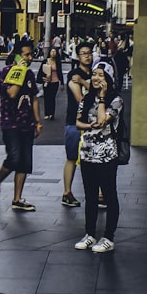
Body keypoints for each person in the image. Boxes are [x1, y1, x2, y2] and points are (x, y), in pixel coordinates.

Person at [73, 61, 123, 253]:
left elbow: (103, 120)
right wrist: (90, 126)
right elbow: (78, 123)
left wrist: (102, 98)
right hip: (87, 153)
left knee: (109, 195)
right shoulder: (86, 99)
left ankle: (109, 237)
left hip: (107, 155)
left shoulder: (116, 100)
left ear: (109, 78)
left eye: (101, 75)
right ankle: (89, 234)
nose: (95, 78)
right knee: (90, 196)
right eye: (94, 74)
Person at [0, 40, 42, 212]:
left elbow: (34, 97)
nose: (30, 58)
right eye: (26, 55)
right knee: (14, 158)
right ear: (18, 55)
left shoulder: (30, 74)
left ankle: (17, 199)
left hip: (27, 123)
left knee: (25, 163)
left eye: (31, 54)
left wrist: (38, 120)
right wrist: (19, 70)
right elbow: (12, 93)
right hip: (10, 122)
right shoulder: (6, 72)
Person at [61, 42, 94, 208]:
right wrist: (84, 82)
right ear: (78, 56)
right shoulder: (74, 74)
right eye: (83, 53)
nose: (87, 56)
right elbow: (82, 99)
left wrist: (84, 82)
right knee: (72, 157)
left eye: (89, 53)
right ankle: (67, 193)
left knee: (95, 159)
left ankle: (99, 194)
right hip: (74, 122)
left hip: (93, 124)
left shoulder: (95, 74)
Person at [41, 47, 62, 120]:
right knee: (47, 98)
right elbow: (41, 72)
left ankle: (51, 114)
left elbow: (60, 72)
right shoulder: (45, 61)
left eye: (54, 52)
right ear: (49, 53)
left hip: (55, 82)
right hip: (47, 81)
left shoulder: (58, 62)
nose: (53, 53)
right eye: (52, 51)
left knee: (52, 98)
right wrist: (42, 78)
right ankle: (46, 113)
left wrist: (62, 83)